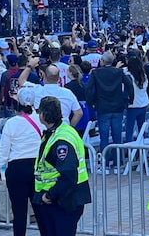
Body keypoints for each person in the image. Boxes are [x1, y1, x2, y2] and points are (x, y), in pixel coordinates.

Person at [33, 96, 92, 236]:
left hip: (62, 200)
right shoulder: (63, 130)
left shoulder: (60, 140)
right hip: (65, 197)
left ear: (42, 115)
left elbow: (69, 174)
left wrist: (50, 195)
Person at [0, 84, 46, 236]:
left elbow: (4, 149)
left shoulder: (11, 123)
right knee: (40, 210)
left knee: (19, 212)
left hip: (16, 168)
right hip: (37, 166)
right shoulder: (41, 120)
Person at [86, 51, 133, 172]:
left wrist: (91, 102)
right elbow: (129, 85)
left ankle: (105, 165)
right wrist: (127, 99)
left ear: (102, 61)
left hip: (102, 107)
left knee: (104, 137)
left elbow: (89, 88)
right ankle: (117, 164)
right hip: (117, 106)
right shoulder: (118, 72)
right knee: (117, 137)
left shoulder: (96, 73)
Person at [124, 56, 149, 142]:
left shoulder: (128, 77)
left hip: (132, 106)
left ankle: (130, 151)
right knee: (142, 130)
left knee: (129, 131)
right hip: (143, 104)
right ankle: (143, 149)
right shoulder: (144, 76)